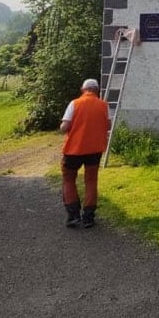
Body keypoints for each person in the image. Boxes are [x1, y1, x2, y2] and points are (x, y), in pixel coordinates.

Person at [59, 78, 110, 228]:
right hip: (94, 150)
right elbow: (108, 125)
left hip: (74, 150)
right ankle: (88, 217)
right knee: (91, 181)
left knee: (69, 179)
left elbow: (64, 126)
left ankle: (73, 215)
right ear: (97, 90)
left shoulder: (75, 104)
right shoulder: (104, 105)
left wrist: (64, 127)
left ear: (83, 89)